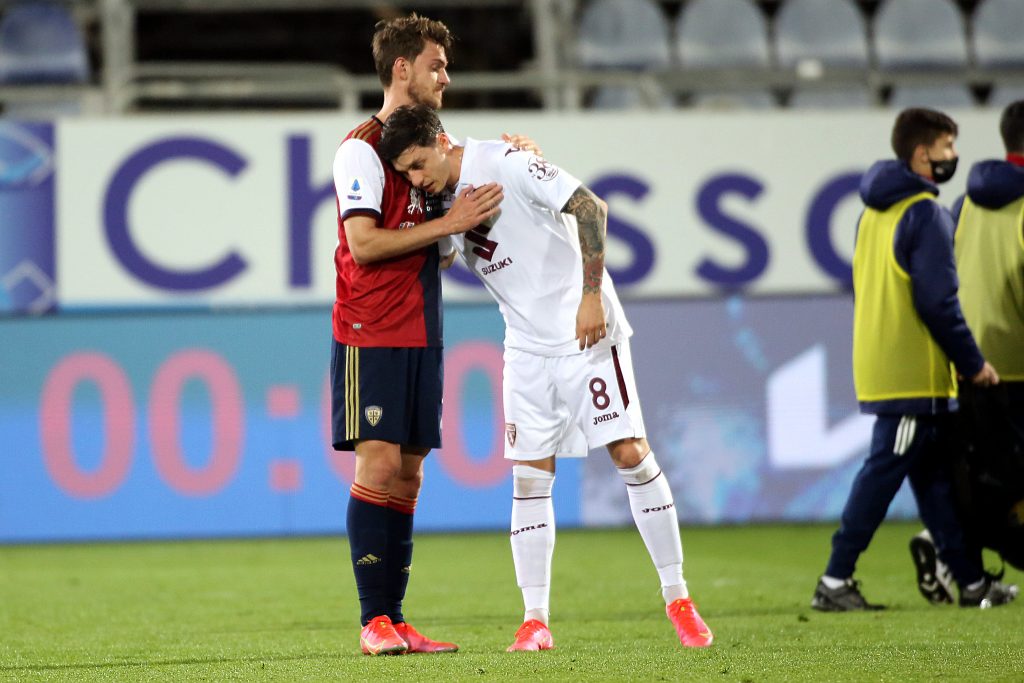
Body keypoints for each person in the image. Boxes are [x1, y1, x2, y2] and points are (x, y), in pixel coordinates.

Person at [378, 103, 714, 651]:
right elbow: (439, 258)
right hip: (527, 349)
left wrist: (589, 296)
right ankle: (535, 621)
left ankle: (679, 600)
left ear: (441, 141)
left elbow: (590, 207)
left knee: (629, 453)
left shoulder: (505, 162)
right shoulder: (441, 199)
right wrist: (442, 224)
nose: (416, 179)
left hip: (584, 331)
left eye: (418, 164)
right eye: (406, 174)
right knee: (529, 478)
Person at [331, 14, 505, 656]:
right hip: (368, 326)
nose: (445, 76)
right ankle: (371, 621)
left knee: (408, 474)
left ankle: (397, 619)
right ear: (401, 68)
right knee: (377, 462)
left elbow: (449, 249)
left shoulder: (438, 146)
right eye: (436, 64)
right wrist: (446, 224)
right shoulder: (360, 148)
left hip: (423, 325)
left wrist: (470, 211)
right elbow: (365, 243)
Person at [811, 107, 1017, 612]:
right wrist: (973, 363)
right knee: (882, 474)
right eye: (947, 147)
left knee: (933, 480)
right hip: (913, 371)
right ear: (923, 153)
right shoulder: (925, 212)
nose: (953, 157)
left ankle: (969, 582)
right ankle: (835, 579)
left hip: (888, 362)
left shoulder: (874, 211)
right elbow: (938, 302)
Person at [908, 100, 1024, 603]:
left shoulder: (964, 204)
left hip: (973, 364)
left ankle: (947, 546)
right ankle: (952, 550)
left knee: (986, 475)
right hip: (1016, 361)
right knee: (1005, 482)